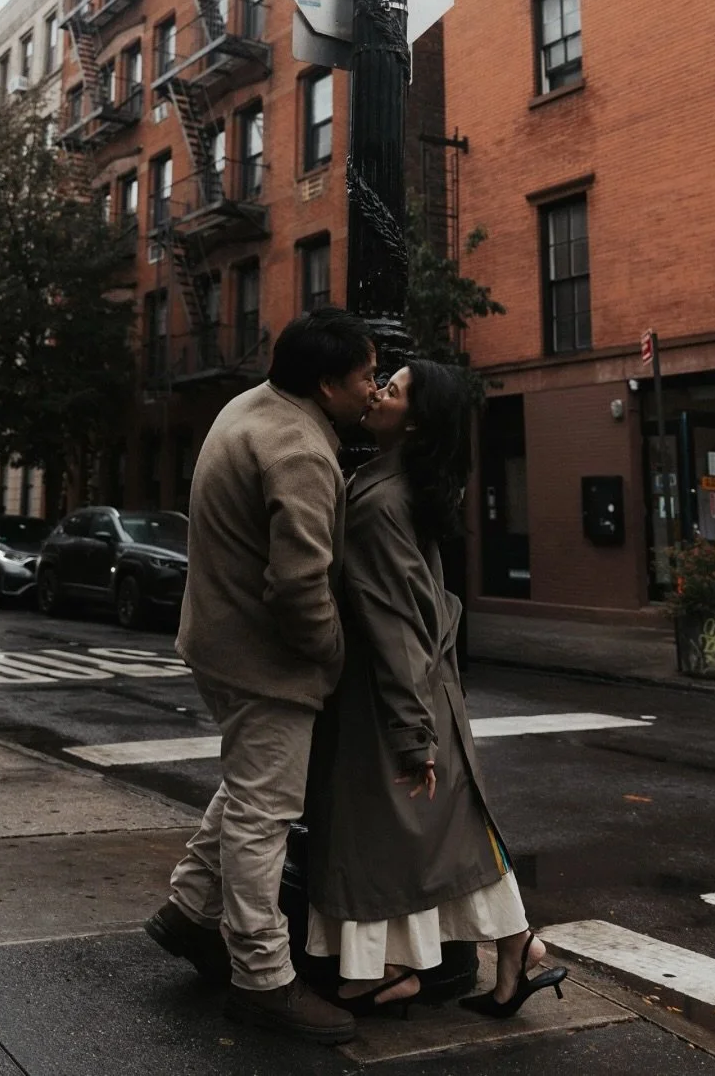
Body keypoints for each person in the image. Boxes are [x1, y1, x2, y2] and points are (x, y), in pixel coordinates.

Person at [304, 359, 568, 1019]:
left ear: (415, 422)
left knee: (383, 834)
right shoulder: (396, 486)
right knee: (444, 830)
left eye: (391, 390)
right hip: (415, 694)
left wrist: (409, 733)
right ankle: (514, 948)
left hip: (393, 699)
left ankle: (392, 969)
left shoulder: (381, 501)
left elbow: (396, 624)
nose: (376, 393)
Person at [145, 306, 378, 1045]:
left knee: (250, 787)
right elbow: (300, 588)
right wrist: (332, 656)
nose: (374, 391)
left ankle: (190, 910)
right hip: (264, 663)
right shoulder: (300, 449)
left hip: (219, 642)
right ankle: (263, 978)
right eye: (366, 376)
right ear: (327, 383)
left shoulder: (249, 407)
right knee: (263, 815)